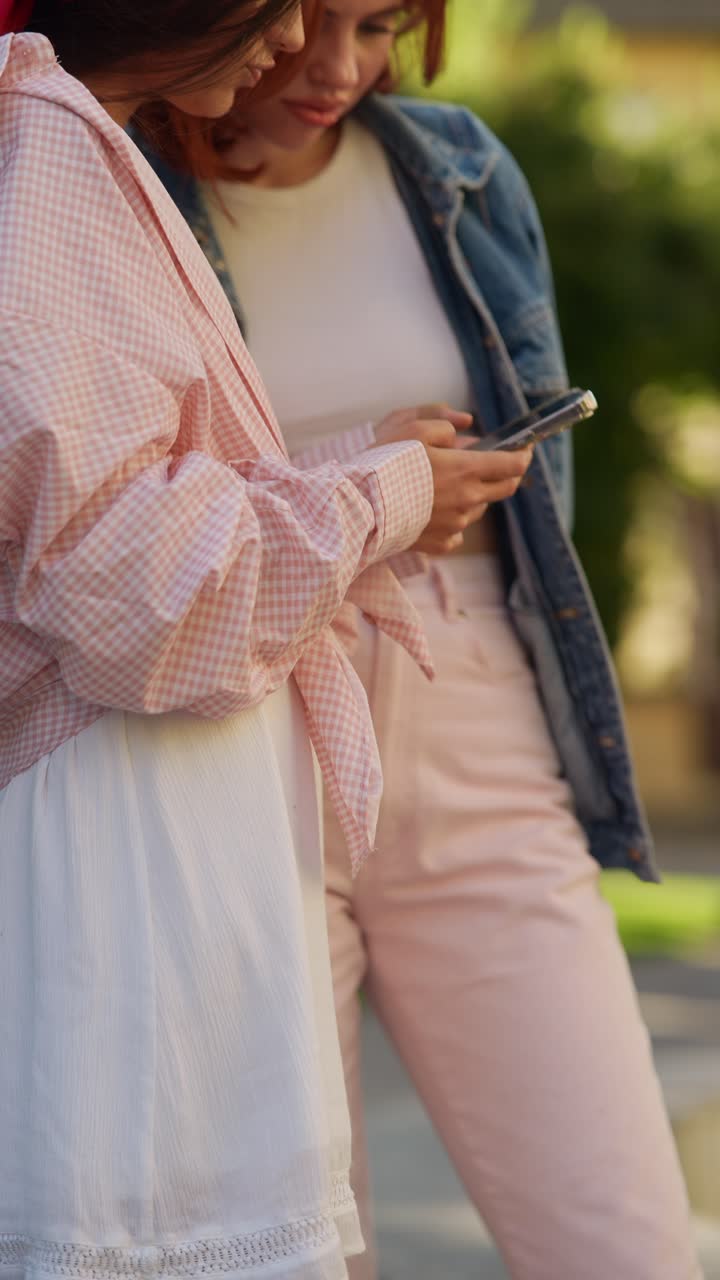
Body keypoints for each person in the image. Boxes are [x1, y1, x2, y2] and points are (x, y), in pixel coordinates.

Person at [142, 2, 705, 1277]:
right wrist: (367, 482)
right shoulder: (118, 182)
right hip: (246, 749)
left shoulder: (458, 168)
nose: (343, 70)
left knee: (622, 1241)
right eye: (311, 23)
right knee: (296, 1248)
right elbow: (117, 522)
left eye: (385, 23)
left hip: (476, 731)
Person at [0, 1, 533, 1276]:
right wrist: (381, 493)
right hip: (130, 830)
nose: (298, 39)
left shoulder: (77, 146)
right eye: (286, 1)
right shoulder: (52, 162)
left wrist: (358, 471)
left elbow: (131, 503)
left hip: (165, 817)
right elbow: (126, 591)